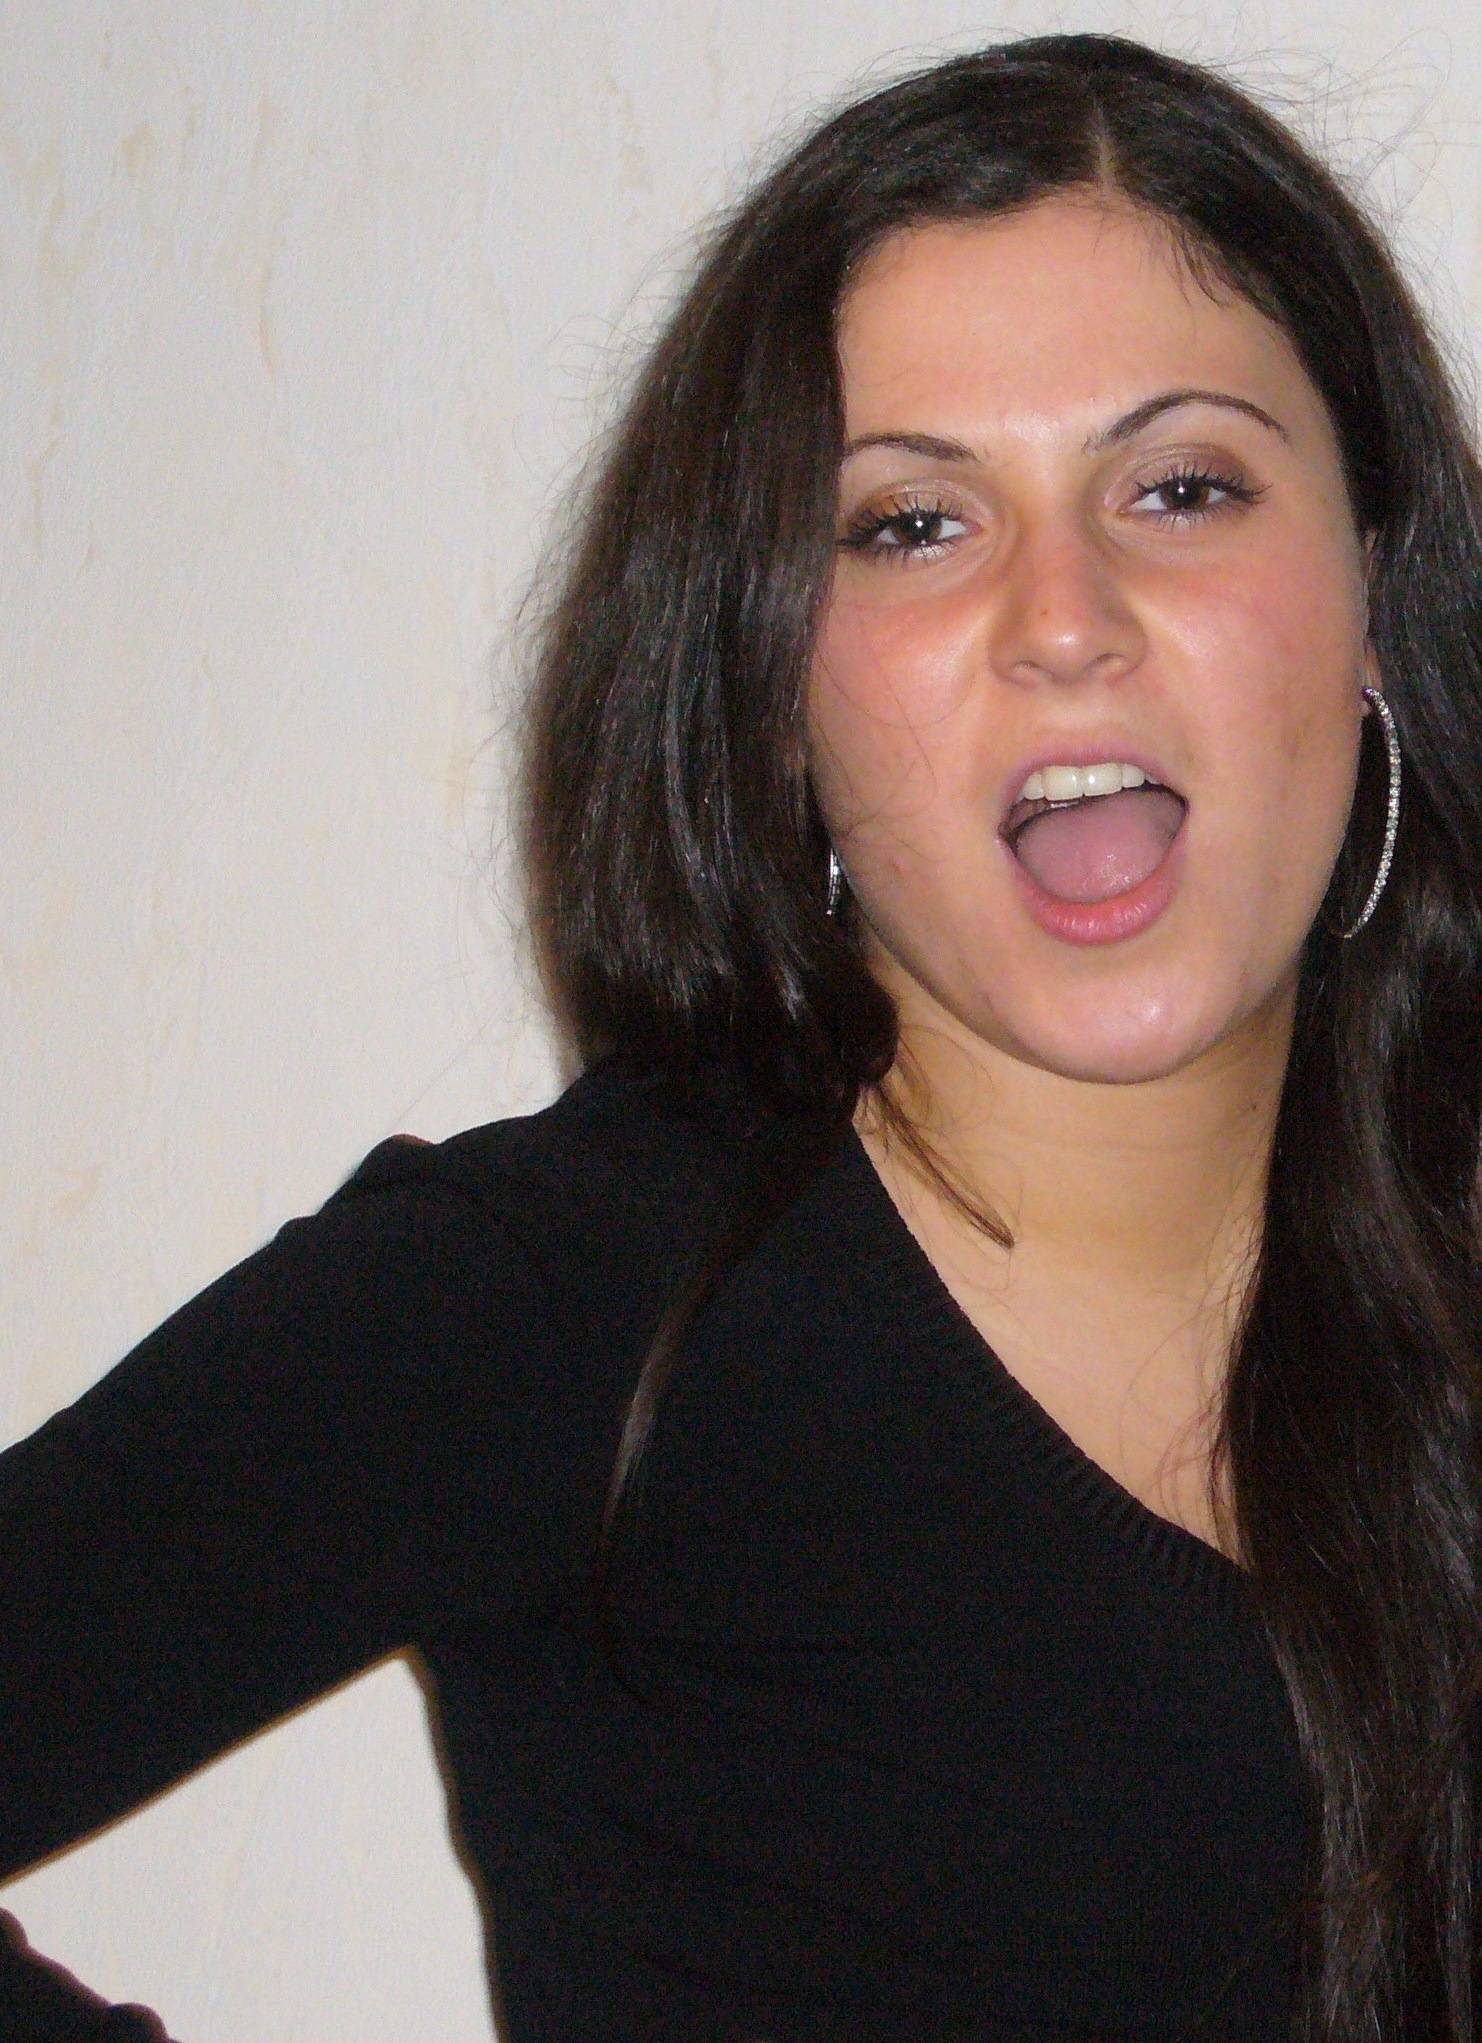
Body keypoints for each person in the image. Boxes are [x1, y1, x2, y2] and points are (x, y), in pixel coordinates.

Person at [4, 27, 1482, 2041]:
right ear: (768, 679)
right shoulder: (572, 1298)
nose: (1066, 615)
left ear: (1374, 592)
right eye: (912, 523)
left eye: (1181, 486)